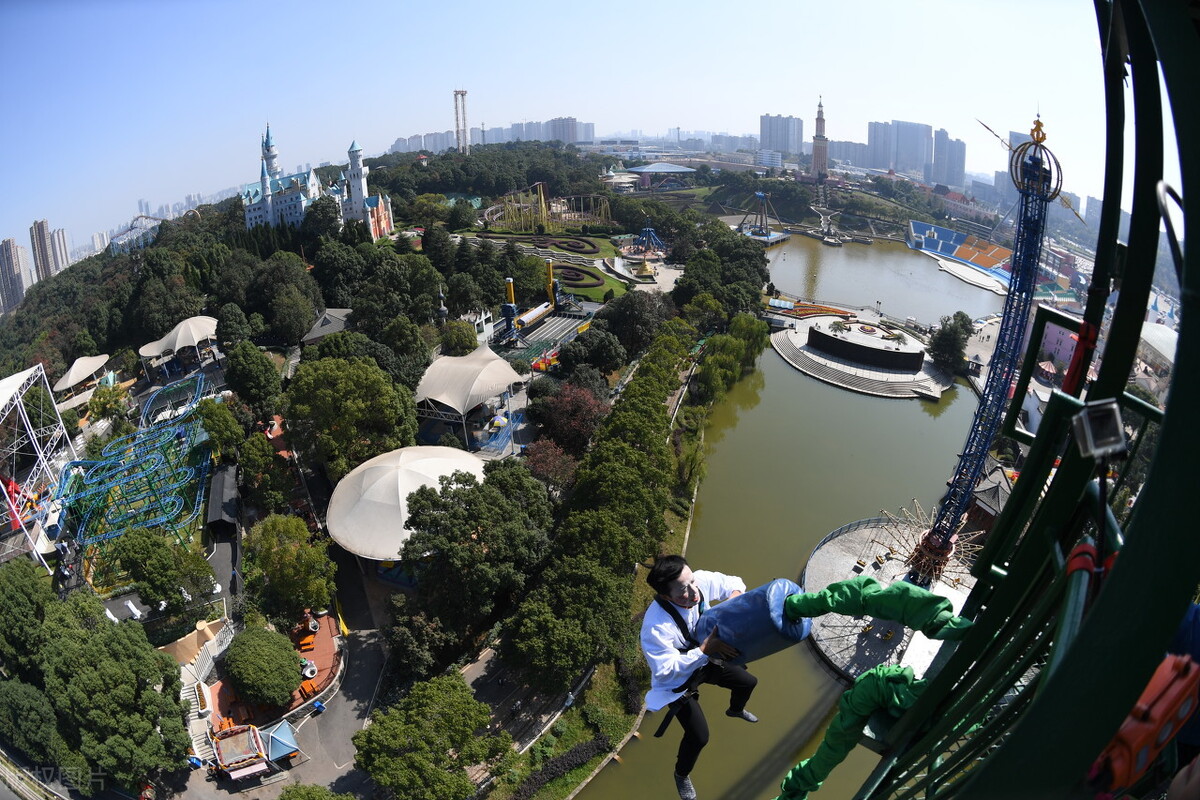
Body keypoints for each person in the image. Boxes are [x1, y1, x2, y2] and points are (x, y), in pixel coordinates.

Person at [641, 555, 758, 800]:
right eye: (683, 591)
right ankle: (681, 774)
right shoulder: (656, 626)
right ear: (666, 597)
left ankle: (735, 710)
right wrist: (705, 649)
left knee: (748, 682)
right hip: (678, 682)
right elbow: (666, 669)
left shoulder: (698, 583)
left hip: (707, 657)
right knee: (699, 736)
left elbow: (734, 583)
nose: (694, 593)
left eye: (692, 582)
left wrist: (732, 602)